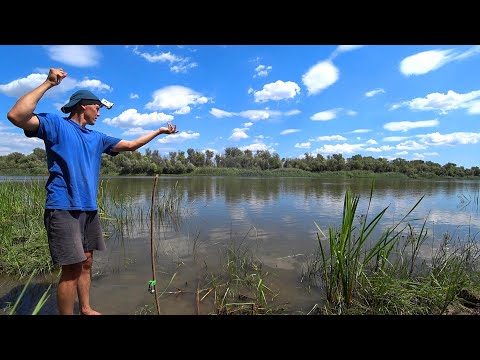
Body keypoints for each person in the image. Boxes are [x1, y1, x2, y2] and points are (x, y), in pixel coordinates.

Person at [6, 67, 179, 315]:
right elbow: (16, 115)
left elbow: (131, 145)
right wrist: (48, 83)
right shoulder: (56, 125)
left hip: (89, 208)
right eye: (96, 107)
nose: (99, 111)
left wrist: (159, 132)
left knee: (86, 262)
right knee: (71, 268)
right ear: (83, 105)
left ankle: (86, 308)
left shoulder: (97, 138)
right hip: (63, 207)